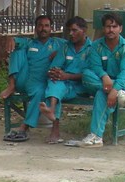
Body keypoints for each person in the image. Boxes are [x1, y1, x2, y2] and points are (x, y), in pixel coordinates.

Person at [0, 14, 65, 142]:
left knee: (40, 93)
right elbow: (14, 40)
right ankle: (11, 85)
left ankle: (24, 128)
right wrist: (11, 39)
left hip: (42, 82)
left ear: (51, 28)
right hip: (25, 79)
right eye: (40, 25)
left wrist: (61, 52)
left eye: (46, 26)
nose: (43, 28)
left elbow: (81, 43)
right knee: (17, 49)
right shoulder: (29, 42)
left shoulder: (59, 43)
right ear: (35, 28)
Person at [78, 12, 125, 148]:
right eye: (107, 27)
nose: (110, 30)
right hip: (103, 82)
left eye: (114, 26)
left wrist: (114, 89)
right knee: (86, 74)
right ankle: (97, 136)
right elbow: (95, 66)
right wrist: (105, 78)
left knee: (101, 94)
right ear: (103, 29)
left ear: (120, 29)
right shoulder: (96, 46)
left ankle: (96, 136)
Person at [38, 16, 92, 144]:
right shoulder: (66, 47)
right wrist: (55, 72)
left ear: (84, 30)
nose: (71, 34)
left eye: (74, 30)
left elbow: (91, 74)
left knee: (56, 89)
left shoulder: (92, 48)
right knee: (54, 82)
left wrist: (68, 76)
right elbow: (54, 67)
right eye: (69, 31)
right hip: (64, 85)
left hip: (83, 86)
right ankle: (52, 115)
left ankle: (53, 118)